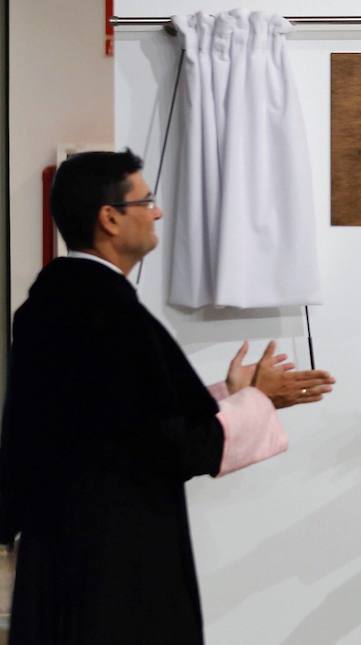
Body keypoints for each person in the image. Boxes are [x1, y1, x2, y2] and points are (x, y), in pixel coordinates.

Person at [0, 149, 336, 645]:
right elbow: (174, 445)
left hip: (56, 556)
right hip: (116, 567)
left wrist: (232, 396)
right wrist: (254, 402)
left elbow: (117, 420)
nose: (157, 211)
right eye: (147, 200)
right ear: (110, 218)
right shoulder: (113, 317)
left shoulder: (44, 308)